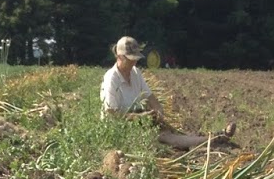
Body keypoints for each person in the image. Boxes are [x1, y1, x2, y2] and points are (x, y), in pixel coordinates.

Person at [99, 36, 235, 151]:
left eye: (135, 58)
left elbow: (150, 97)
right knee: (167, 137)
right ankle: (213, 140)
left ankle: (212, 137)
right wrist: (140, 117)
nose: (134, 61)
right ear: (120, 57)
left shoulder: (135, 73)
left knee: (171, 131)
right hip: (120, 129)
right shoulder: (111, 78)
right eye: (130, 59)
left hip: (139, 121)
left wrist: (158, 111)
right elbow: (112, 114)